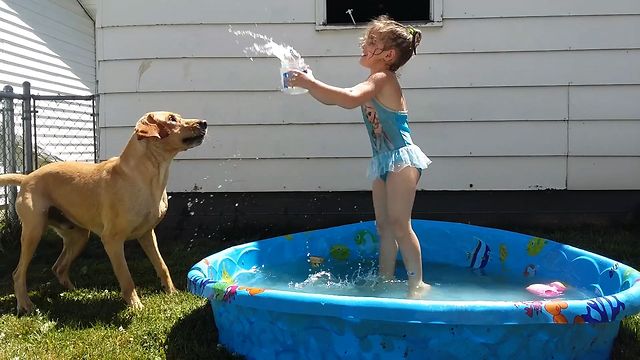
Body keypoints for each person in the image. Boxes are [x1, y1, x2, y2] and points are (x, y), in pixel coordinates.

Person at [287, 15, 432, 299]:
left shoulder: (382, 78)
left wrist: (310, 83)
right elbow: (335, 99)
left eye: (372, 42)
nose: (364, 44)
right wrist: (310, 83)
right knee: (384, 226)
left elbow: (349, 98)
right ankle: (385, 278)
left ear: (388, 55)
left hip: (402, 159)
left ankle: (418, 284)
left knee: (400, 225)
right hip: (382, 160)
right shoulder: (373, 80)